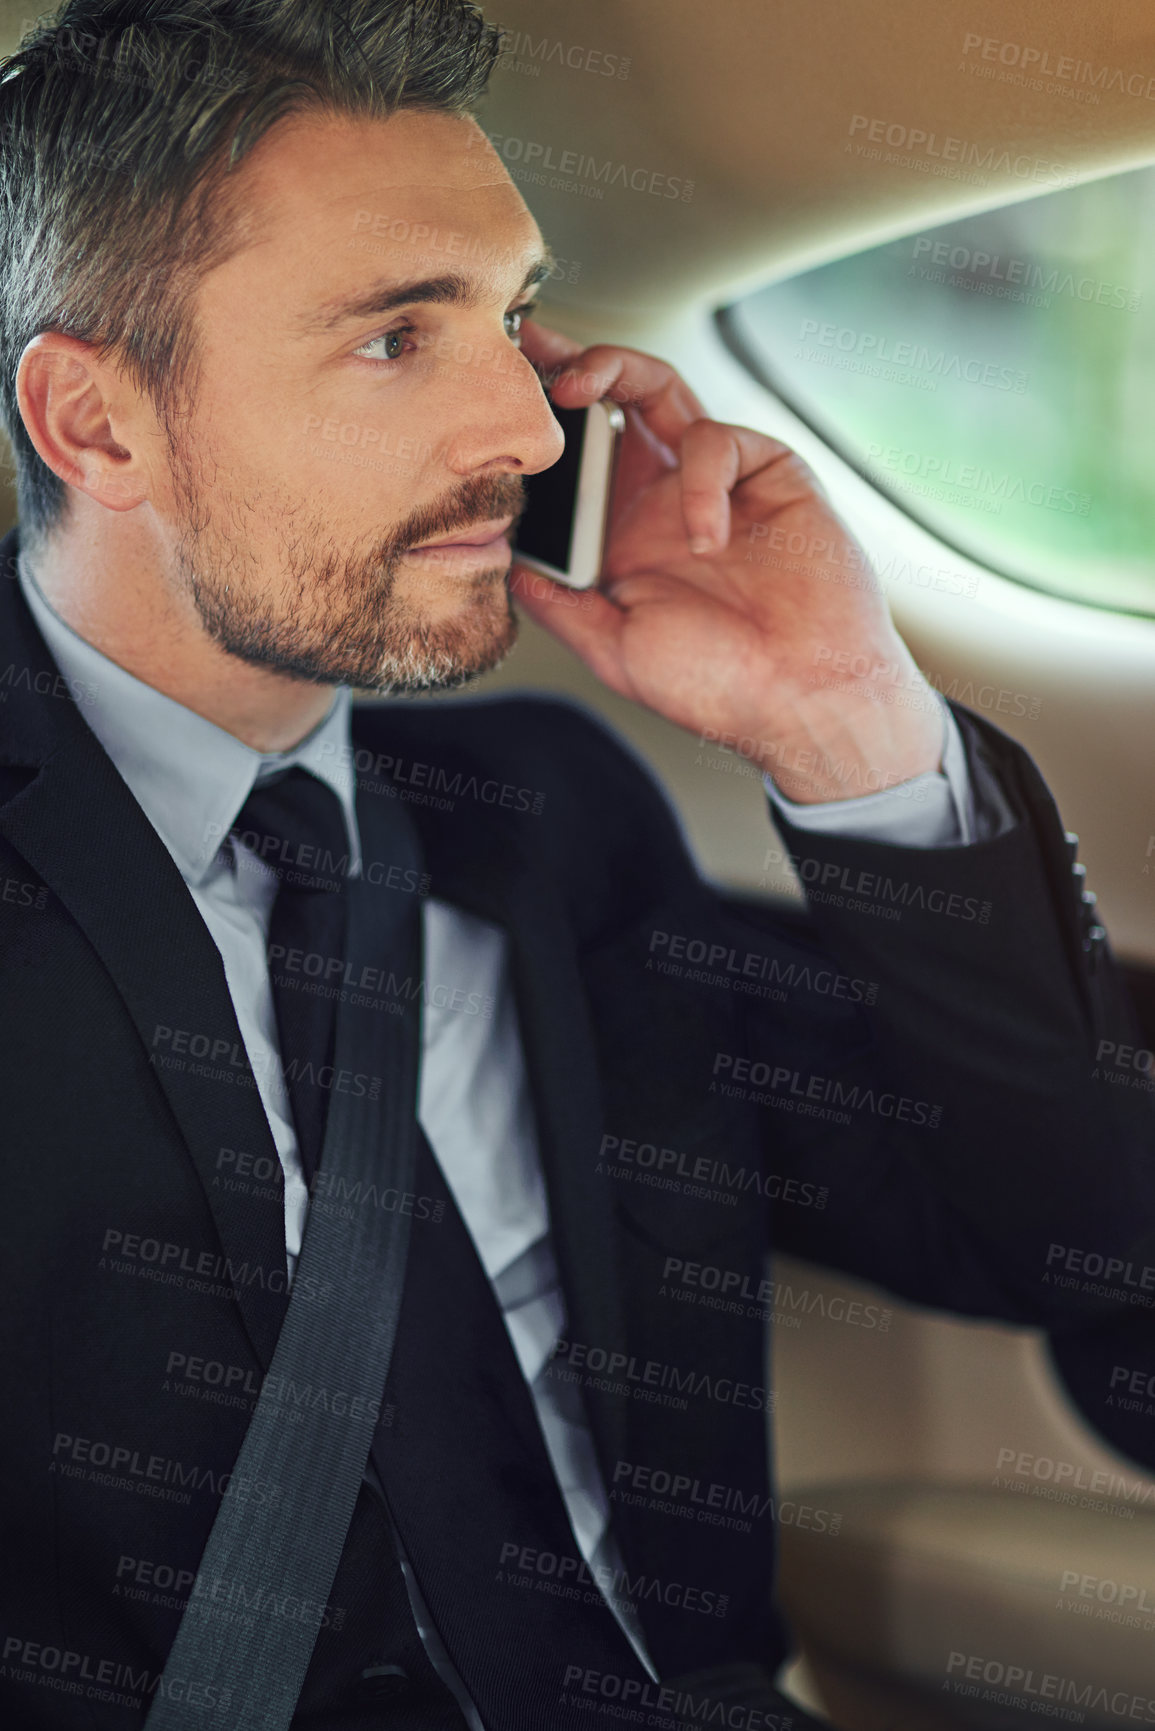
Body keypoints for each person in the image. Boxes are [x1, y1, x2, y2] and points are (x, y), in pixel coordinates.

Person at [0, 3, 1151, 1728]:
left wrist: (846, 726)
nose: (533, 433)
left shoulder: (546, 820)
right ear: (95, 424)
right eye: (397, 337)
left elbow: (1087, 1253)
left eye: (515, 319)